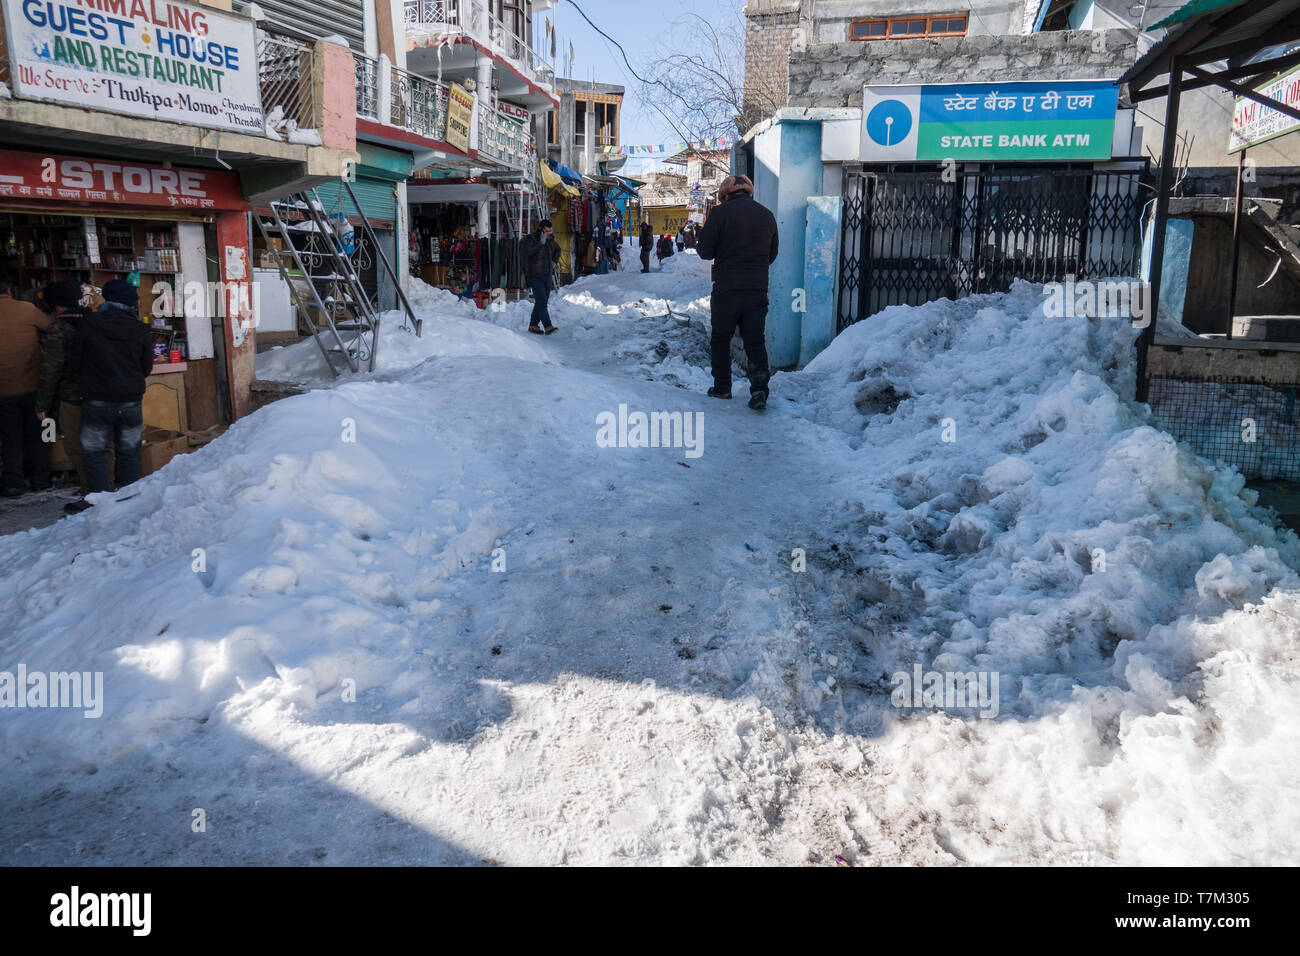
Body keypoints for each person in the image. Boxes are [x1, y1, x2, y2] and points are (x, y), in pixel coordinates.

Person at [696, 174, 779, 411]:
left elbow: (704, 251)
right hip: (756, 289)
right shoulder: (767, 215)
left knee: (721, 338)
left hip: (727, 289)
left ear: (725, 195)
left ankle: (722, 387)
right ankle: (760, 390)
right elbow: (772, 255)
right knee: (755, 340)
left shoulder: (720, 214)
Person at [77, 278, 153, 495]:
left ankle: (100, 502)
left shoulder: (89, 324)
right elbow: (145, 367)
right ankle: (128, 500)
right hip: (130, 401)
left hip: (96, 401)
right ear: (131, 303)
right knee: (129, 453)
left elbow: (75, 361)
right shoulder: (140, 330)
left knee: (94, 452)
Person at [36, 279, 105, 505]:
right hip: (102, 393)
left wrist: (43, 405)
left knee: (77, 446)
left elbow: (50, 370)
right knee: (104, 444)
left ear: (57, 306)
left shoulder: (58, 328)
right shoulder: (96, 319)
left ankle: (90, 491)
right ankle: (107, 487)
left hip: (73, 396)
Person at [0, 276, 54, 496]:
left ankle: (13, 483)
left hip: (3, 390)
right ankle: (42, 479)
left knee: (10, 439)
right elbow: (51, 326)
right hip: (34, 386)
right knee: (43, 434)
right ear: (11, 291)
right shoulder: (27, 309)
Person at [520, 219, 561, 335]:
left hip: (547, 274)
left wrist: (554, 262)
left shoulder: (551, 239)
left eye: (550, 231)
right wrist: (540, 244)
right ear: (541, 229)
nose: (549, 233)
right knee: (542, 301)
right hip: (534, 275)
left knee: (541, 301)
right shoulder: (531, 239)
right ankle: (548, 326)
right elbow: (526, 253)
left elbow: (558, 250)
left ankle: (533, 325)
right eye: (547, 231)